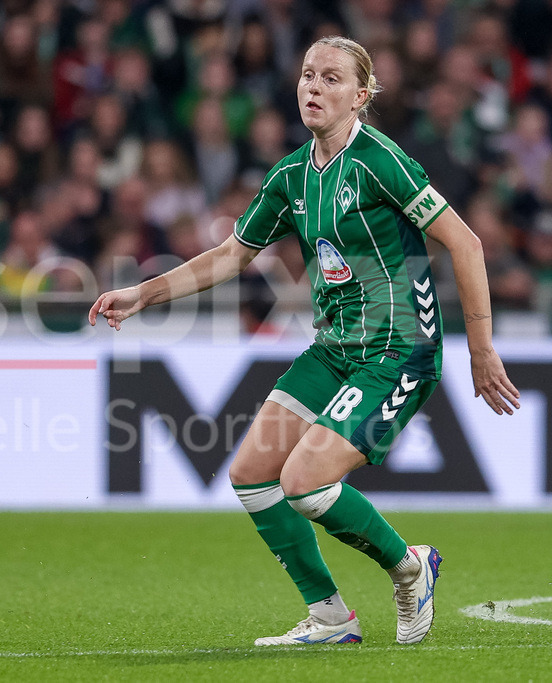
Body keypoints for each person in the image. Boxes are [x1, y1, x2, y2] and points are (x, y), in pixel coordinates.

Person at [88, 36, 520, 646]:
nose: (314, 87)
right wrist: (143, 293)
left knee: (305, 481)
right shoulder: (291, 174)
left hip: (399, 349)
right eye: (308, 75)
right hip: (336, 348)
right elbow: (235, 255)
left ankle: (410, 567)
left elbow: (467, 243)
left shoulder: (379, 160)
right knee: (250, 473)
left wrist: (481, 349)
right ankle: (331, 618)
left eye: (332, 79)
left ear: (361, 96)